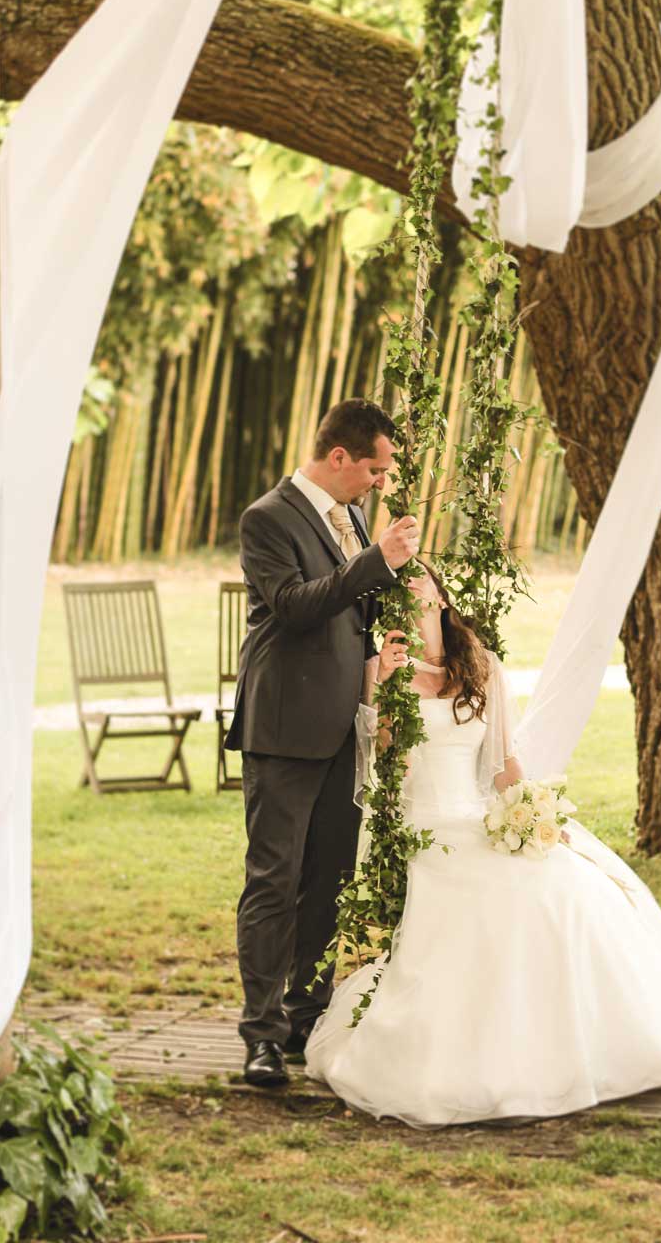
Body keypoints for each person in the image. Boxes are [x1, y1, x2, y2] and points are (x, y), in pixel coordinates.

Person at [305, 563, 661, 1126]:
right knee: (478, 906)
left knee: (565, 887)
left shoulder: (480, 664)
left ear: (443, 597)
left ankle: (591, 1041)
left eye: (417, 580)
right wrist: (390, 689)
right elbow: (386, 768)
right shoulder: (380, 667)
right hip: (422, 827)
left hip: (478, 819)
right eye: (396, 588)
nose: (408, 590)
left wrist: (530, 810)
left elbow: (502, 763)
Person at [225, 399, 419, 1088]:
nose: (380, 481)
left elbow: (346, 614)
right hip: (283, 726)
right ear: (338, 458)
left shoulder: (353, 515)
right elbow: (295, 605)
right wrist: (376, 561)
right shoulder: (267, 518)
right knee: (274, 880)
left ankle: (308, 1017)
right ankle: (262, 1034)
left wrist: (379, 655)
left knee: (330, 881)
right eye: (375, 468)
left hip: (344, 723)